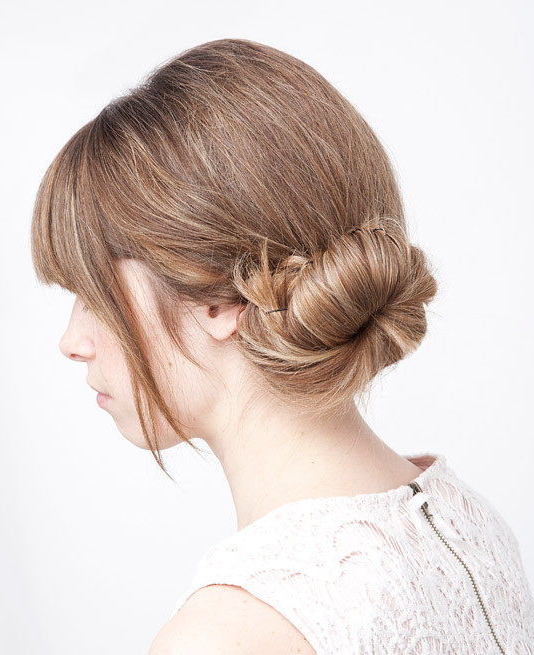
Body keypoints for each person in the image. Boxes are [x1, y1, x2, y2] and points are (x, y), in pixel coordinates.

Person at [30, 38, 534, 655]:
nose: (72, 341)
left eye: (93, 293)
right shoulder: (470, 525)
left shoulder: (228, 636)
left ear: (219, 301)